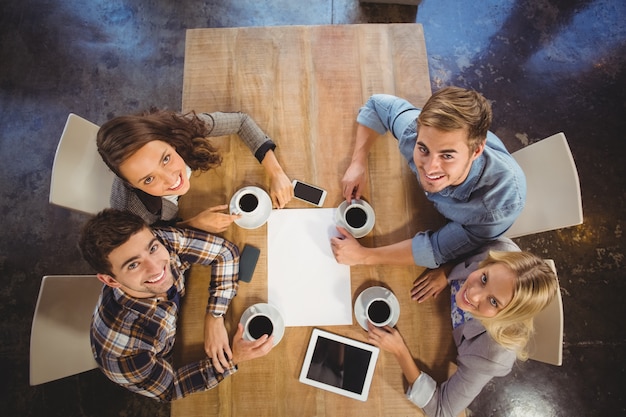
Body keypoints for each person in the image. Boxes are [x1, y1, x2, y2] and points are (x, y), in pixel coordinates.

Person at [78, 209, 274, 402]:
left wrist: (214, 316)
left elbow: (225, 252)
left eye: (153, 249)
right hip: (160, 358)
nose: (156, 268)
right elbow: (171, 388)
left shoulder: (153, 240)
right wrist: (234, 358)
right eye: (133, 265)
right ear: (111, 281)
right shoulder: (123, 354)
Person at [331, 87, 526, 269]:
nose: (430, 168)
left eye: (447, 156)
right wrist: (358, 162)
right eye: (423, 149)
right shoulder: (413, 131)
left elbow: (438, 249)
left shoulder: (498, 206)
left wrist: (364, 256)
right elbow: (377, 104)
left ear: (476, 151)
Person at [366, 238, 558, 417]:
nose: (472, 294)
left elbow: (441, 409)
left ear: (508, 317)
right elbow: (466, 247)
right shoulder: (501, 248)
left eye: (493, 301)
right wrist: (447, 272)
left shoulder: (491, 356)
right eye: (484, 278)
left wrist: (400, 351)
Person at [97, 109, 294, 233]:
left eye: (165, 159)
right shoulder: (132, 211)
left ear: (170, 140)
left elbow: (241, 122)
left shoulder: (174, 127)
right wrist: (192, 224)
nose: (171, 180)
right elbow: (154, 236)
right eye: (148, 180)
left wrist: (276, 173)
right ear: (131, 185)